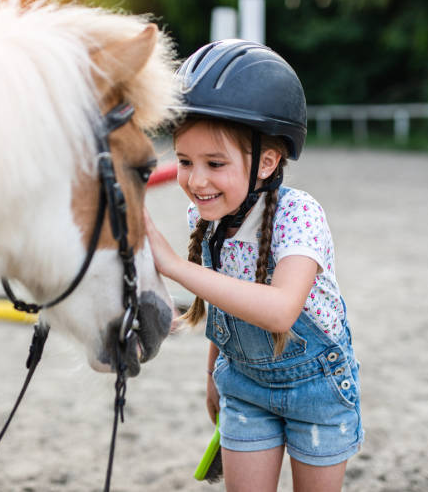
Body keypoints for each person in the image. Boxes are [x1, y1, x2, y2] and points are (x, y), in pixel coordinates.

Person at [144, 39, 363, 492]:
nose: (196, 180)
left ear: (267, 161)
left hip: (317, 390)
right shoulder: (207, 217)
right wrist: (213, 375)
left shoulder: (299, 216)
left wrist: (171, 265)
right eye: (185, 161)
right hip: (242, 385)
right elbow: (225, 305)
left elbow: (281, 309)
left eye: (215, 163)